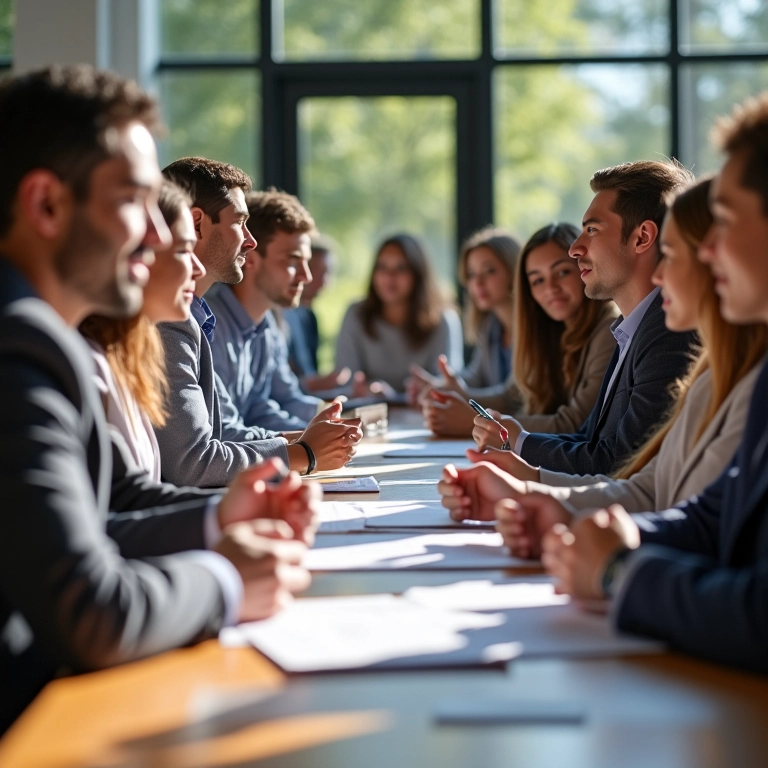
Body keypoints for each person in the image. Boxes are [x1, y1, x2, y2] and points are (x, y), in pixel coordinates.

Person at [0, 65, 314, 733]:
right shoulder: (17, 344)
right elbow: (88, 608)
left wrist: (224, 515)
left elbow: (114, 504)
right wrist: (228, 580)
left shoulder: (50, 337)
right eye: (133, 201)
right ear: (47, 205)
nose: (157, 233)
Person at [517, 94, 768, 673]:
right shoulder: (750, 377)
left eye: (723, 224)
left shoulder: (681, 348)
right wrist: (573, 518)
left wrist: (618, 570)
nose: (703, 255)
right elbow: (707, 515)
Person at [439, 177, 767, 544]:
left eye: (672, 255)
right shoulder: (702, 372)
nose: (576, 250)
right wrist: (530, 491)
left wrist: (613, 562)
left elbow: (621, 467)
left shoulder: (673, 341)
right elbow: (649, 488)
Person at [467, 160, 698, 479]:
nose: (575, 249)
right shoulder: (632, 330)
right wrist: (518, 440)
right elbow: (589, 440)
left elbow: (618, 462)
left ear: (642, 237)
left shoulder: (669, 333)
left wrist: (521, 446)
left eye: (591, 230)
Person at [159, 157, 362, 486]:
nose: (249, 243)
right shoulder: (175, 323)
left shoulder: (215, 320)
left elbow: (262, 406)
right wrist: (304, 451)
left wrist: (313, 439)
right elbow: (199, 457)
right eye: (240, 222)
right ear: (196, 224)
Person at [421, 224, 618, 437]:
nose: (550, 288)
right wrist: (459, 398)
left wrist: (476, 422)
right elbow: (513, 396)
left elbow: (576, 424)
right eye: (538, 280)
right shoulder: (548, 328)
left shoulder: (609, 330)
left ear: (584, 268)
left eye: (562, 272)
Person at [80, 181, 205, 481]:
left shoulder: (127, 358)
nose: (198, 268)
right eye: (184, 250)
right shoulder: (90, 365)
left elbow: (130, 495)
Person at [206, 189, 323, 431]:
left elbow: (267, 406)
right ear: (249, 258)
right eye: (292, 261)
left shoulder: (267, 323)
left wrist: (334, 420)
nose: (306, 276)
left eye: (306, 262)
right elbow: (223, 430)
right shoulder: (209, 326)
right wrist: (305, 444)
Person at [335, 233, 463, 394]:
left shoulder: (443, 319)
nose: (389, 277)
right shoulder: (356, 314)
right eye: (382, 267)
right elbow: (345, 378)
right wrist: (367, 390)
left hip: (424, 414)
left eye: (401, 268)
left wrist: (425, 390)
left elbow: (447, 383)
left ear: (418, 274)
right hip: (368, 412)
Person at [408, 227, 519, 409]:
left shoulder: (534, 328)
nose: (478, 283)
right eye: (471, 274)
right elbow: (476, 378)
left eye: (489, 271)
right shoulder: (491, 326)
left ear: (514, 270)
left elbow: (514, 397)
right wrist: (439, 385)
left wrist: (463, 395)